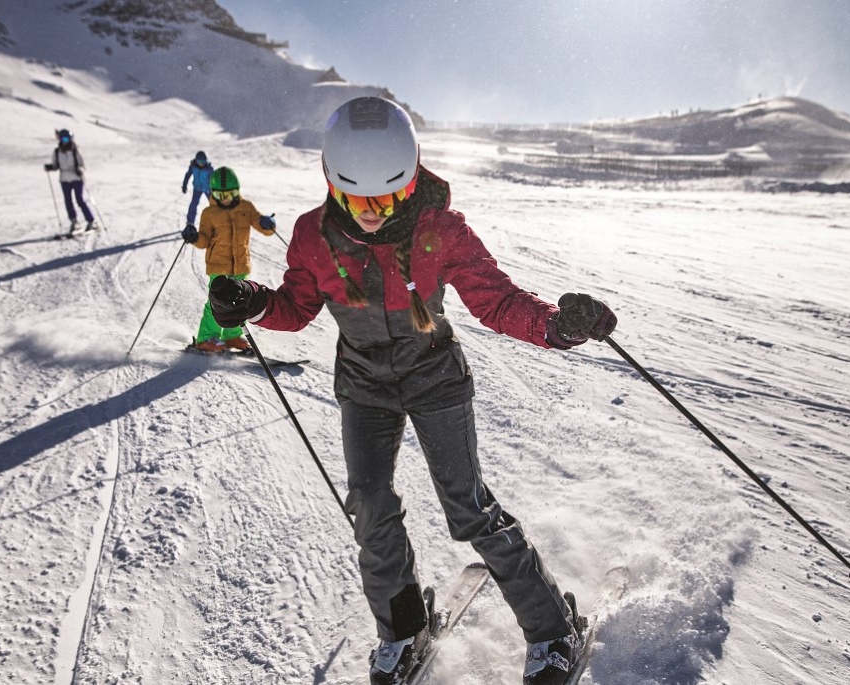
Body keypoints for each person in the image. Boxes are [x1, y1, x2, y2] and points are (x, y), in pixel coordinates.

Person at [206, 97, 617, 685]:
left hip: (434, 376)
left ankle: (553, 630)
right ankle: (403, 627)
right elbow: (295, 308)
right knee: (370, 504)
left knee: (468, 509)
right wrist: (253, 304)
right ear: (332, 184)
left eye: (388, 198)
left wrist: (556, 325)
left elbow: (496, 300)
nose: (372, 214)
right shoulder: (311, 235)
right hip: (365, 383)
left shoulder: (441, 229)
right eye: (357, 199)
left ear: (412, 180)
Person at [181, 166, 277, 354]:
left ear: (237, 191)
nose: (225, 198)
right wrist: (193, 237)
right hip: (218, 265)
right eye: (220, 194)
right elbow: (204, 240)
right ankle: (206, 338)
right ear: (213, 193)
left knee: (240, 303)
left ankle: (231, 336)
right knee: (216, 304)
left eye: (231, 193)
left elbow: (262, 226)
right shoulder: (209, 213)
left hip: (240, 265)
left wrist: (268, 224)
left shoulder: (246, 207)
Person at [44, 128, 95, 233]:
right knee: (68, 201)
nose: (65, 141)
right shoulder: (57, 151)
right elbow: (55, 165)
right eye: (63, 139)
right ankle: (74, 221)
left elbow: (81, 164)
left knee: (79, 199)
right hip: (64, 179)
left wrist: (80, 170)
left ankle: (90, 220)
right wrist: (50, 167)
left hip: (76, 178)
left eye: (67, 138)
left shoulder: (75, 150)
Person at [182, 150, 215, 230]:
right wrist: (184, 185)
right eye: (199, 161)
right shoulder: (193, 166)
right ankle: (190, 222)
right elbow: (188, 175)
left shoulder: (209, 169)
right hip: (197, 188)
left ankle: (216, 222)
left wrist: (215, 189)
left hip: (208, 189)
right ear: (196, 160)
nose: (201, 163)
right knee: (194, 203)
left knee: (214, 205)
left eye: (203, 161)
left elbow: (214, 180)